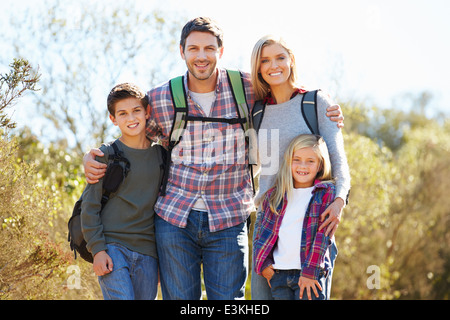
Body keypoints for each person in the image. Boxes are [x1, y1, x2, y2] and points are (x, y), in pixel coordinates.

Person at [82, 18, 344, 300]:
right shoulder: (161, 98)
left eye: (209, 48)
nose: (202, 56)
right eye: (193, 48)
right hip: (174, 220)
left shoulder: (246, 86)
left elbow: (282, 85)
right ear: (182, 51)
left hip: (229, 218)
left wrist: (324, 104)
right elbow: (133, 133)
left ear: (221, 50)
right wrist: (97, 154)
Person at [250, 35, 351, 299]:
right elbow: (253, 168)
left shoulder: (316, 103)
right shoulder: (257, 112)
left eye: (280, 57)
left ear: (291, 60)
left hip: (312, 220)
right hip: (268, 224)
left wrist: (340, 200)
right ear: (258, 68)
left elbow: (338, 161)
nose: (274, 65)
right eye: (265, 60)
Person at [80, 83, 162, 300]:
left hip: (149, 254)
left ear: (147, 112)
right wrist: (98, 250)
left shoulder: (162, 156)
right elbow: (90, 206)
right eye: (122, 113)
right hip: (112, 248)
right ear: (113, 119)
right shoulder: (105, 155)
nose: (131, 118)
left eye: (136, 110)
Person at [253, 134, 338, 300]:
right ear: (288, 161)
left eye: (310, 161)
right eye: (297, 159)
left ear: (320, 164)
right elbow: (262, 234)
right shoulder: (275, 195)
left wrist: (310, 272)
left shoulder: (325, 193)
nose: (303, 166)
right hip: (279, 276)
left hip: (310, 275)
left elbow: (323, 235)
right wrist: (263, 264)